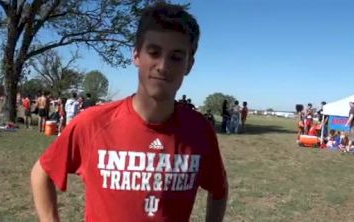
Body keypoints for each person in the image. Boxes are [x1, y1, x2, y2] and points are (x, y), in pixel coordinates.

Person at [31, 3, 228, 222]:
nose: (162, 66)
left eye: (176, 57)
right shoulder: (93, 123)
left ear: (189, 64)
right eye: (153, 52)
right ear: (136, 55)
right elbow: (42, 172)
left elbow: (219, 189)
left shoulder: (199, 131)